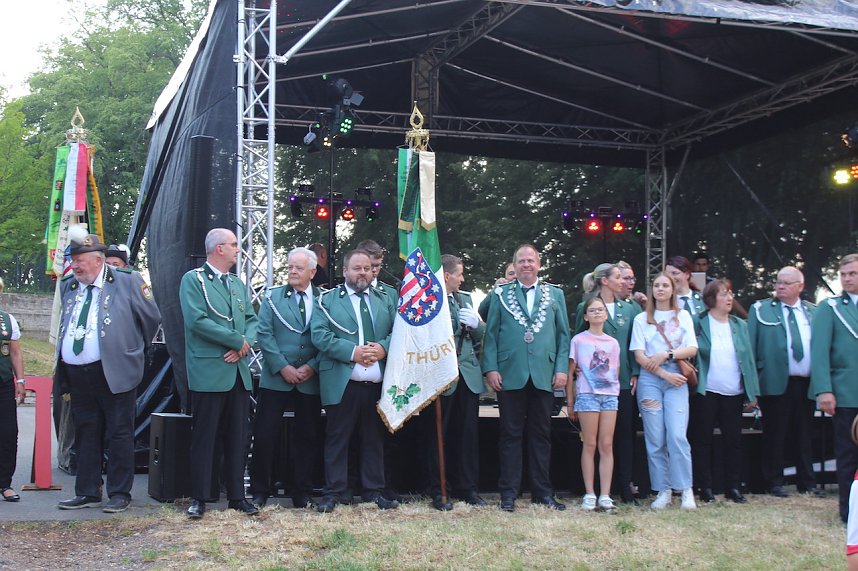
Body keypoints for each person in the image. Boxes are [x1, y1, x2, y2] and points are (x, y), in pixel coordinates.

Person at [55, 228, 161, 513]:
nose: (75, 266)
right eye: (73, 260)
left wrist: (130, 350)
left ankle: (119, 492)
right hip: (78, 373)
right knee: (86, 432)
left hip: (115, 371)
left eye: (80, 260)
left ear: (98, 260)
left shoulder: (127, 281)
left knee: (119, 432)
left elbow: (151, 319)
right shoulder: (69, 285)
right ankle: (87, 491)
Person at [482, 244, 570, 512]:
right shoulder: (501, 294)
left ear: (539, 264)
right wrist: (491, 368)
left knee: (541, 435)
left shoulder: (555, 294)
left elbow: (563, 335)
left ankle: (542, 493)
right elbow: (492, 334)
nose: (526, 265)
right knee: (510, 435)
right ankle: (508, 493)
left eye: (531, 260)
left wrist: (562, 368)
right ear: (514, 265)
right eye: (521, 261)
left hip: (544, 373)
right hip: (510, 373)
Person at [179, 228, 259, 519]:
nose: (238, 249)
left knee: (238, 437)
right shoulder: (194, 280)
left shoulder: (237, 284)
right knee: (205, 437)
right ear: (218, 249)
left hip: (237, 371)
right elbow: (197, 320)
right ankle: (200, 497)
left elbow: (252, 319)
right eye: (234, 245)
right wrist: (236, 341)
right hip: (209, 371)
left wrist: (244, 343)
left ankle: (237, 496)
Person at [311, 249, 398, 513]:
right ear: (345, 271)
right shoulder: (327, 300)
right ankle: (334, 492)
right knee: (338, 439)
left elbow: (402, 331)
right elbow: (319, 335)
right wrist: (354, 352)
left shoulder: (387, 297)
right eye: (357, 268)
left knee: (374, 439)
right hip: (343, 381)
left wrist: (383, 348)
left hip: (377, 383)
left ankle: (373, 491)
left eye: (367, 268)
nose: (363, 273)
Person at [249, 247, 322, 509]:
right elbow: (264, 334)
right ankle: (260, 490)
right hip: (276, 377)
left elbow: (327, 338)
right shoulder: (273, 297)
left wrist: (311, 367)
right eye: (289, 267)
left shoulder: (324, 300)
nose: (291, 271)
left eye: (298, 268)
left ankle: (301, 491)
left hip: (310, 379)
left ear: (312, 272)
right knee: (266, 434)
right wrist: (283, 367)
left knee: (307, 436)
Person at [748, 266, 820, 498]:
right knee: (775, 433)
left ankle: (807, 482)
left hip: (806, 382)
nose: (780, 286)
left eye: (786, 283)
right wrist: (752, 385)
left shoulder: (813, 312)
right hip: (774, 381)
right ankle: (774, 481)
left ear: (800, 286)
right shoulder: (761, 309)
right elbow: (750, 348)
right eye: (778, 282)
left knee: (804, 434)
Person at [423, 254, 487, 510]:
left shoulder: (466, 299)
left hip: (467, 375)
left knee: (467, 436)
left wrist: (477, 324)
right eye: (459, 274)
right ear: (446, 276)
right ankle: (439, 489)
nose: (463, 279)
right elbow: (426, 333)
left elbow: (482, 335)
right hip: (441, 374)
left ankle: (467, 488)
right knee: (439, 435)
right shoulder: (428, 299)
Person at [630, 271, 698, 510]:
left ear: (672, 289)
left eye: (665, 285)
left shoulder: (684, 316)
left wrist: (668, 356)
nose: (660, 289)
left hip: (676, 380)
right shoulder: (642, 319)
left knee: (677, 435)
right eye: (656, 285)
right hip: (651, 380)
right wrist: (663, 373)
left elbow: (691, 348)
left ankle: (685, 488)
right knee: (655, 437)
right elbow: (639, 355)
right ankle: (663, 489)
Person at [574, 263, 641, 505]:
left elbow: (635, 343)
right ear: (605, 281)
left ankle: (624, 488)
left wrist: (635, 372)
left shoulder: (630, 309)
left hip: (621, 383)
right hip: (592, 386)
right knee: (594, 440)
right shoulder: (587, 307)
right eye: (619, 278)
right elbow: (578, 340)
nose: (624, 282)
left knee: (622, 436)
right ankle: (597, 491)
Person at [690, 279, 760, 503]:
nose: (729, 298)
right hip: (707, 391)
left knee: (733, 440)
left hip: (733, 391)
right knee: (702, 440)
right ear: (711, 299)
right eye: (723, 294)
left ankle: (733, 487)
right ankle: (705, 487)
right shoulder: (698, 322)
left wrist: (752, 392)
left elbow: (748, 360)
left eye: (730, 293)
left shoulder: (739, 325)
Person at [811, 253, 858, 523]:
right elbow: (819, 352)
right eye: (844, 274)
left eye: (853, 273)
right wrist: (824, 390)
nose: (847, 279)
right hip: (846, 393)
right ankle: (849, 513)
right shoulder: (830, 308)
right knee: (848, 454)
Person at [568, 296, 620, 511]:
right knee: (589, 443)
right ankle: (590, 493)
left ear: (606, 315)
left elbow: (616, 371)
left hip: (610, 396)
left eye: (601, 309)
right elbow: (571, 373)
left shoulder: (613, 343)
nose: (598, 313)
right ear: (586, 316)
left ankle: (605, 494)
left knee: (606, 444)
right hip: (587, 395)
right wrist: (570, 402)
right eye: (593, 310)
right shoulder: (578, 341)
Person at [0, 277, 26, 503]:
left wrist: (20, 381)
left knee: (8, 434)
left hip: (3, 384)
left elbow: (15, 353)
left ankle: (5, 484)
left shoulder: (8, 321)